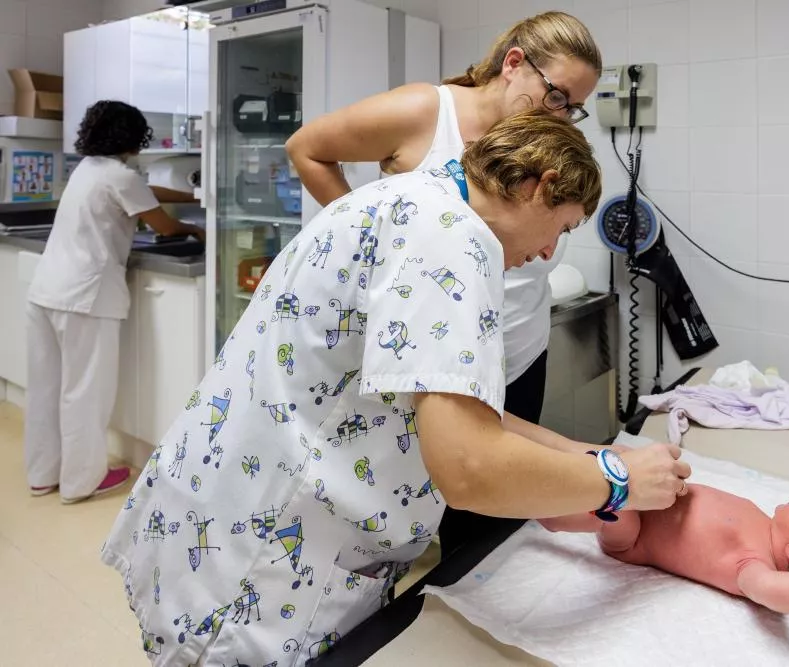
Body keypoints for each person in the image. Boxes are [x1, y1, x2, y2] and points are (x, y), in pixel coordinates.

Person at [100, 110, 692, 666]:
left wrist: (591, 459)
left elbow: (450, 405)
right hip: (266, 562)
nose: (545, 252)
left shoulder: (406, 199)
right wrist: (616, 485)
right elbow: (468, 466)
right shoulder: (452, 241)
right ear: (543, 184)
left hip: (219, 512)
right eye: (561, 228)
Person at [285, 11, 603, 556]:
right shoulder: (426, 118)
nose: (565, 117)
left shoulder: (539, 144)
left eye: (575, 108)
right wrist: (383, 246)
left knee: (491, 524)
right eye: (557, 97)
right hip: (430, 355)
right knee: (444, 481)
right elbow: (307, 148)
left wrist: (576, 463)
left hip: (516, 352)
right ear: (513, 64)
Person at [24, 100, 205, 504]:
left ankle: (43, 475)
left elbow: (146, 192)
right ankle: (80, 482)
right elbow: (163, 223)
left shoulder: (89, 169)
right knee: (85, 392)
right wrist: (194, 226)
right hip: (84, 296)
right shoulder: (120, 177)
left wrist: (196, 194)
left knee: (46, 388)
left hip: (46, 291)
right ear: (132, 137)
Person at [540, 485, 789, 638]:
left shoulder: (753, 568)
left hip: (632, 536)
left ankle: (548, 515)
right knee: (624, 470)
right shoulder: (768, 529)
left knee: (619, 498)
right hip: (653, 491)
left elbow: (777, 594)